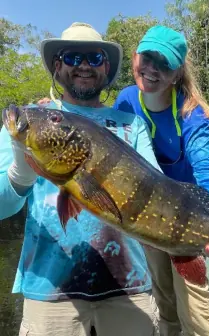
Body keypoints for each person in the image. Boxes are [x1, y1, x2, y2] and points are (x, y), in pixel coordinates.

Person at [0, 22, 161, 336]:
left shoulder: (131, 125)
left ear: (107, 68)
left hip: (131, 291)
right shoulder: (32, 119)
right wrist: (21, 175)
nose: (84, 65)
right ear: (57, 66)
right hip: (49, 294)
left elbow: (158, 191)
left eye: (95, 57)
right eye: (73, 57)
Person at [113, 25, 209, 336]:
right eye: (147, 58)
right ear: (134, 58)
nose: (152, 69)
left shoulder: (192, 113)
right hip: (147, 218)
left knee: (195, 313)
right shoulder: (125, 102)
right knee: (164, 302)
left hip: (188, 220)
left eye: (164, 64)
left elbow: (208, 171)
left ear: (176, 74)